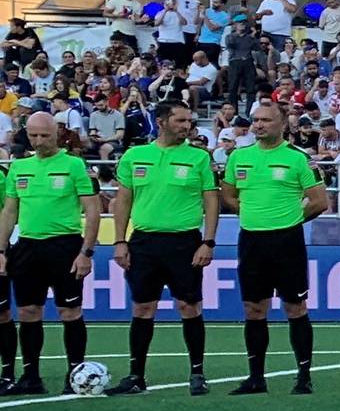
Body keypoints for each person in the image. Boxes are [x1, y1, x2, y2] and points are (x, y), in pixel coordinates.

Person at [107, 100, 220, 395]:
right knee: (143, 307)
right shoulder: (135, 156)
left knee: (189, 305)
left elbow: (211, 201)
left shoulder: (198, 158)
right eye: (181, 120)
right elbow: (123, 201)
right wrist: (120, 240)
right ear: (162, 121)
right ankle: (136, 376)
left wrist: (207, 241)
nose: (187, 126)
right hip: (144, 241)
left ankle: (197, 373)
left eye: (189, 121)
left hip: (184, 242)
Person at [222, 99, 327, 394]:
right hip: (251, 240)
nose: (258, 125)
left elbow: (320, 201)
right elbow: (227, 194)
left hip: (286, 240)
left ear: (282, 124)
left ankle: (304, 376)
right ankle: (256, 377)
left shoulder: (297, 158)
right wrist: (245, 211)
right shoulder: (238, 157)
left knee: (295, 306)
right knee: (253, 308)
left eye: (265, 120)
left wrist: (291, 219)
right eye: (256, 120)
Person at [0, 112, 100, 394]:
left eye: (44, 135)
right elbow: (9, 211)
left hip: (64, 245)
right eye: (33, 136)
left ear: (56, 133)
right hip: (28, 246)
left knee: (70, 311)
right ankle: (31, 377)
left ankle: (75, 375)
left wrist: (86, 252)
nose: (39, 141)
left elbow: (92, 210)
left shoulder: (73, 165)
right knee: (28, 311)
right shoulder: (20, 168)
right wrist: (1, 249)